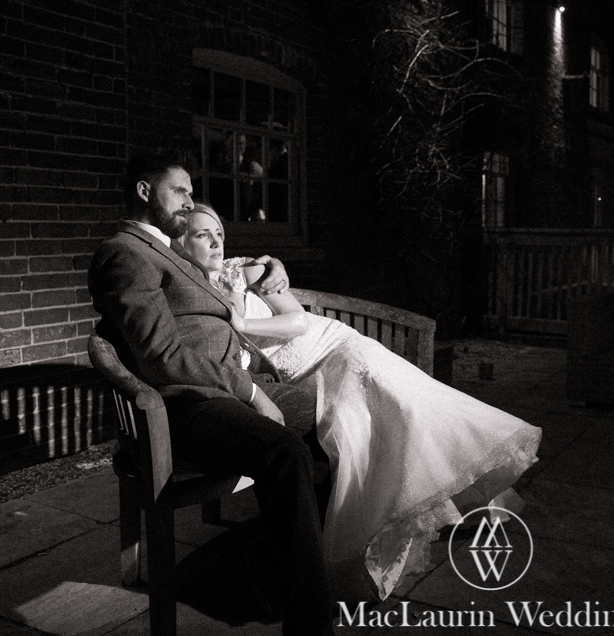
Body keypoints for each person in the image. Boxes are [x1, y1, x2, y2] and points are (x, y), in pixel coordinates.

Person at [180, 202, 542, 603]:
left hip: (332, 347)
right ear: (182, 242)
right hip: (303, 376)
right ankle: (416, 513)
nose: (215, 241)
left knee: (410, 406)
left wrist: (244, 322)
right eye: (202, 234)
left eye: (219, 233)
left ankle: (468, 486)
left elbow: (297, 320)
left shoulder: (244, 269)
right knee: (374, 430)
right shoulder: (191, 294)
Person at [88, 150, 334, 636]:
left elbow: (224, 272)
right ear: (144, 191)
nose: (189, 201)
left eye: (191, 194)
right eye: (180, 190)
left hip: (218, 388)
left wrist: (270, 261)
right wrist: (249, 391)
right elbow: (159, 355)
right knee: (285, 451)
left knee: (329, 419)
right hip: (182, 405)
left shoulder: (167, 251)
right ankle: (309, 622)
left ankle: (260, 580)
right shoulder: (125, 253)